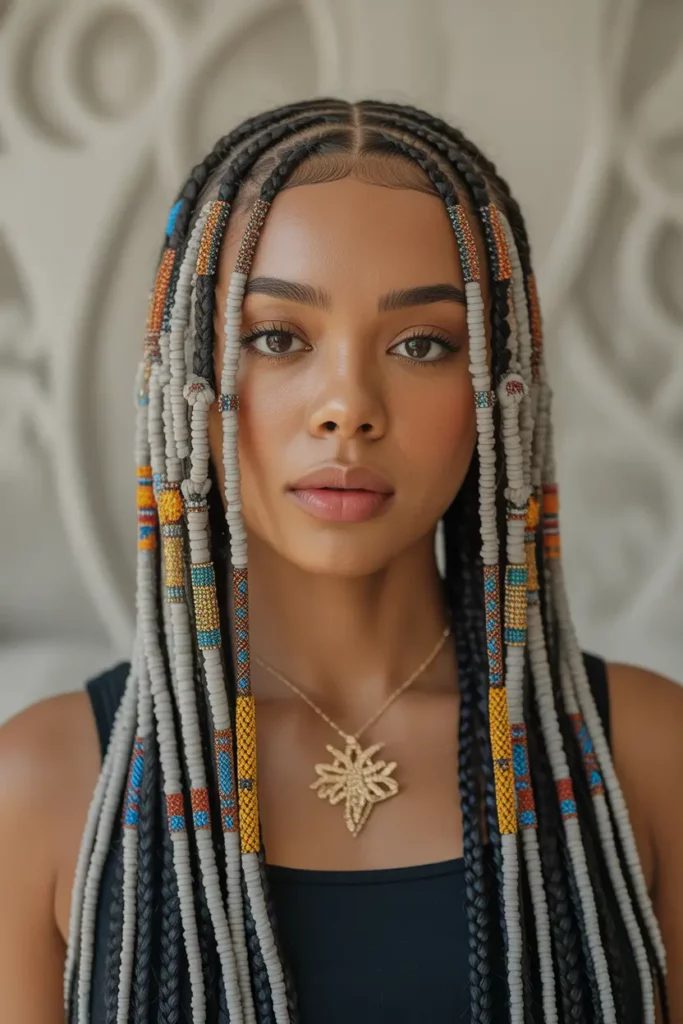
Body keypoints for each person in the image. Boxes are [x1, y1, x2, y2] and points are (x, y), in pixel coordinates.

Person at [0, 98, 681, 1024]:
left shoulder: (642, 754)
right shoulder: (43, 786)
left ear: (501, 388)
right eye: (276, 338)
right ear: (184, 381)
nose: (346, 407)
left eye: (421, 344)